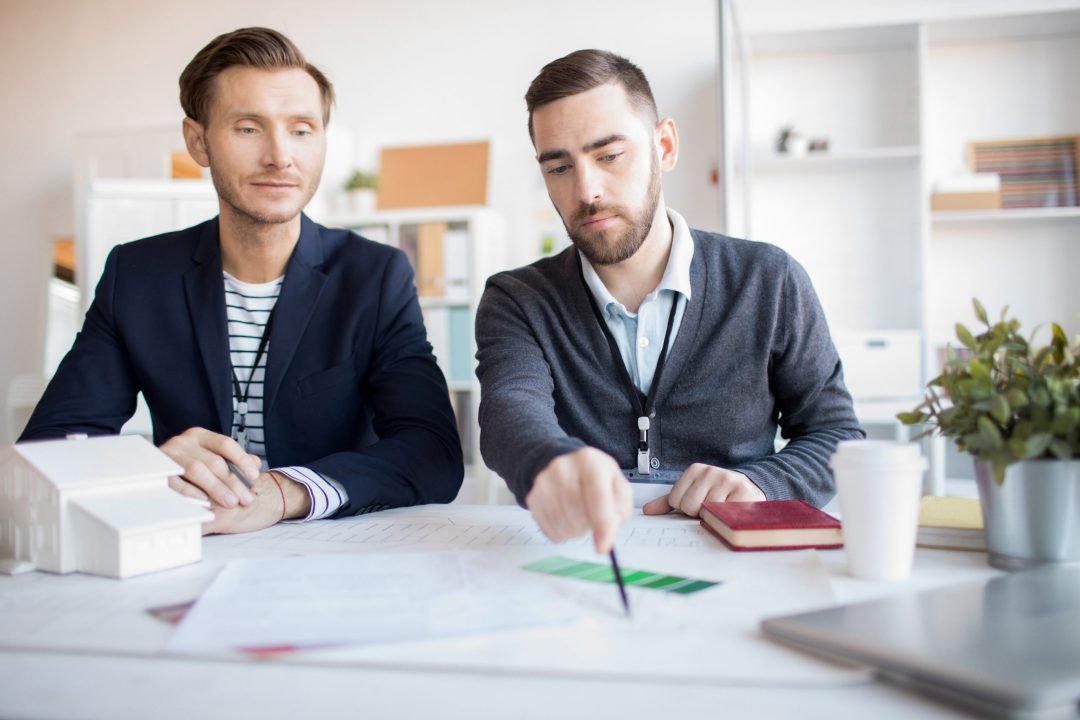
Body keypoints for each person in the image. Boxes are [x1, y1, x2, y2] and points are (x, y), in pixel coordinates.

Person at [20, 27, 463, 533]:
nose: (280, 156)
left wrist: (284, 492)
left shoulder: (374, 276)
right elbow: (46, 454)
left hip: (335, 553)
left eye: (301, 129)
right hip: (189, 549)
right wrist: (150, 470)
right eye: (249, 128)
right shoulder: (138, 276)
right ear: (198, 141)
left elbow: (433, 454)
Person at [475, 49, 863, 554]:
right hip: (580, 554)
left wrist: (763, 485)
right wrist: (551, 460)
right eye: (559, 167)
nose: (586, 190)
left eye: (610, 156)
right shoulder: (517, 299)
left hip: (733, 551)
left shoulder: (768, 280)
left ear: (665, 145)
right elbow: (510, 411)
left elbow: (836, 435)